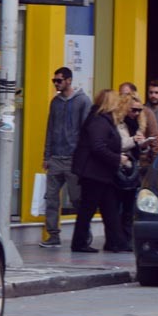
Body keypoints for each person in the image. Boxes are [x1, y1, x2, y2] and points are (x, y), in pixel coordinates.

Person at [70, 91, 129, 253]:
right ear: (110, 103)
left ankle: (116, 242)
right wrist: (118, 159)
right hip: (94, 174)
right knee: (88, 209)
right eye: (116, 101)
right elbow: (98, 147)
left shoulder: (104, 120)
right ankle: (80, 243)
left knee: (109, 209)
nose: (119, 104)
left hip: (101, 174)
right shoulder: (99, 122)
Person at [40, 67, 92, 248]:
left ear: (69, 80)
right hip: (55, 157)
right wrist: (46, 155)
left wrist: (83, 158)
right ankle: (53, 235)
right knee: (51, 198)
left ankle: (84, 232)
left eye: (59, 80)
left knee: (77, 198)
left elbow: (87, 131)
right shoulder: (55, 102)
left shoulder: (83, 101)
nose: (56, 83)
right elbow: (49, 129)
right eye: (54, 80)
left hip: (73, 159)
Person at [116, 93, 148, 249]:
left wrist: (144, 144)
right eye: (133, 110)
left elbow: (140, 149)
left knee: (129, 208)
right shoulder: (119, 124)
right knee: (119, 208)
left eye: (139, 110)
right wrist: (134, 140)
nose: (136, 113)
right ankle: (119, 240)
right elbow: (119, 144)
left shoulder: (137, 125)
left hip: (133, 168)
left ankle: (126, 239)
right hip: (121, 168)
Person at [119, 82, 158, 159]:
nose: (124, 98)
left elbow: (155, 136)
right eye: (122, 95)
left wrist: (145, 147)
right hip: (123, 161)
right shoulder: (117, 117)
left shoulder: (143, 115)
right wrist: (134, 140)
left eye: (127, 94)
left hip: (139, 160)